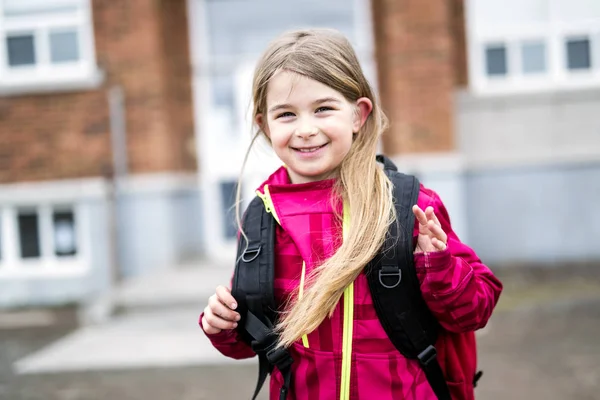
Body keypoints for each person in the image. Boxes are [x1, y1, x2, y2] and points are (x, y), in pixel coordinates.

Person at [200, 28, 503, 400]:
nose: (306, 130)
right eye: (286, 115)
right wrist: (224, 325)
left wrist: (437, 266)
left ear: (358, 115)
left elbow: (474, 311)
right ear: (265, 125)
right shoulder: (262, 217)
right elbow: (251, 342)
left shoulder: (407, 205)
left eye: (323, 109)